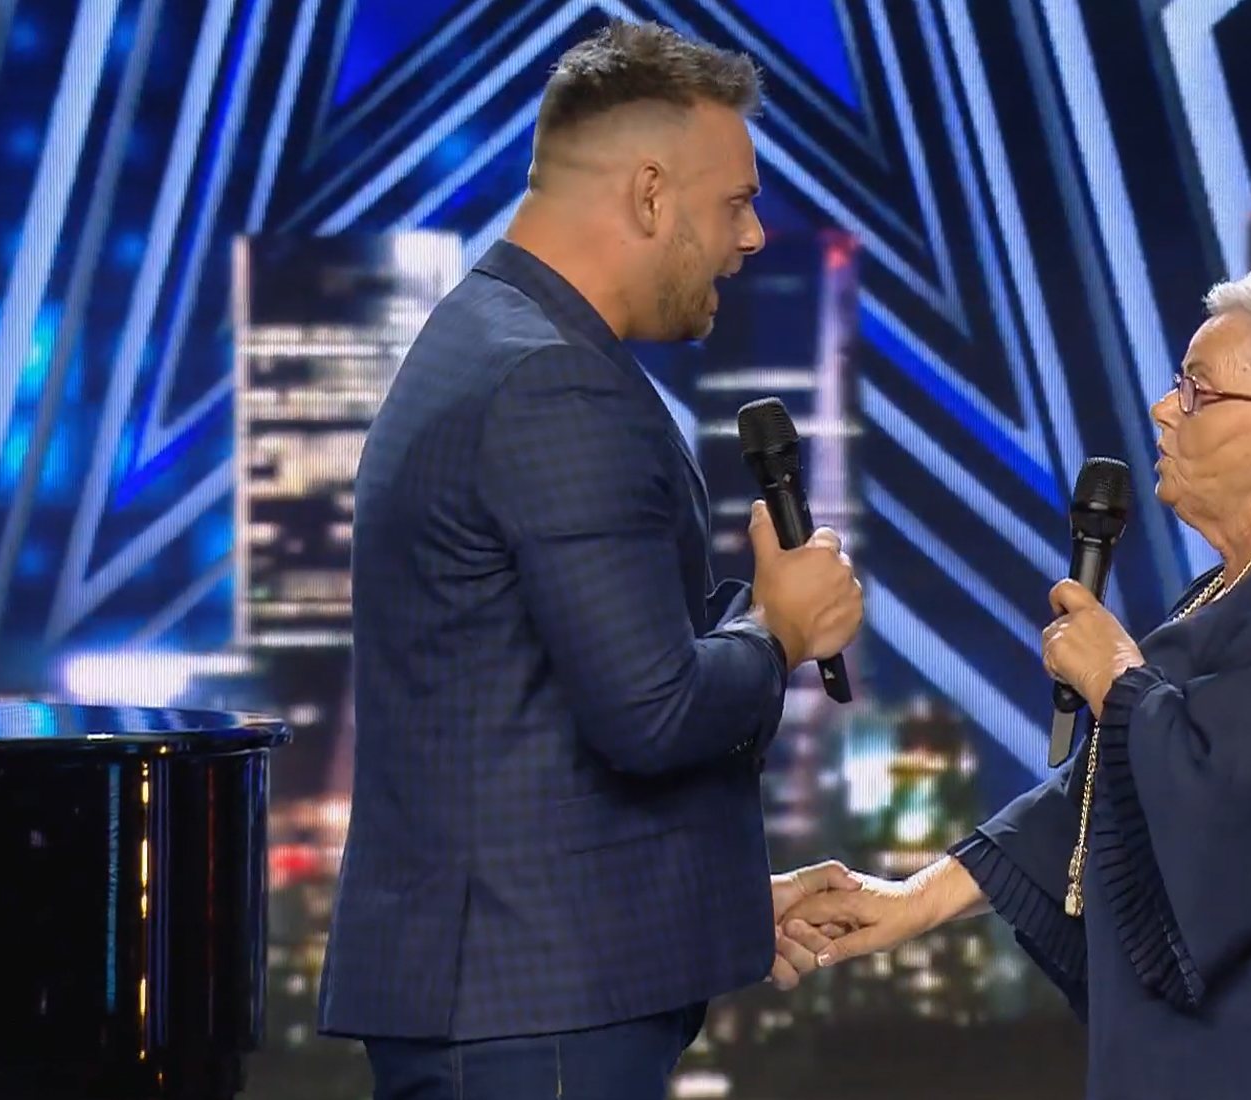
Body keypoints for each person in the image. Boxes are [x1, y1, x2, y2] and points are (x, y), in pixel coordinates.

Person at [321, 20, 863, 1100]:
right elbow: (650, 711)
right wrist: (779, 627)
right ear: (650, 194)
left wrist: (719, 900)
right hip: (533, 1025)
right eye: (736, 201)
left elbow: (532, 717)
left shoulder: (493, 340)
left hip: (517, 1007)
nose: (751, 237)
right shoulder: (547, 384)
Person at [785, 267, 1251, 1098]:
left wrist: (1119, 681)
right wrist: (913, 900)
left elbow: (1238, 821)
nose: (1163, 407)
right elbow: (1113, 795)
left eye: (1197, 390)